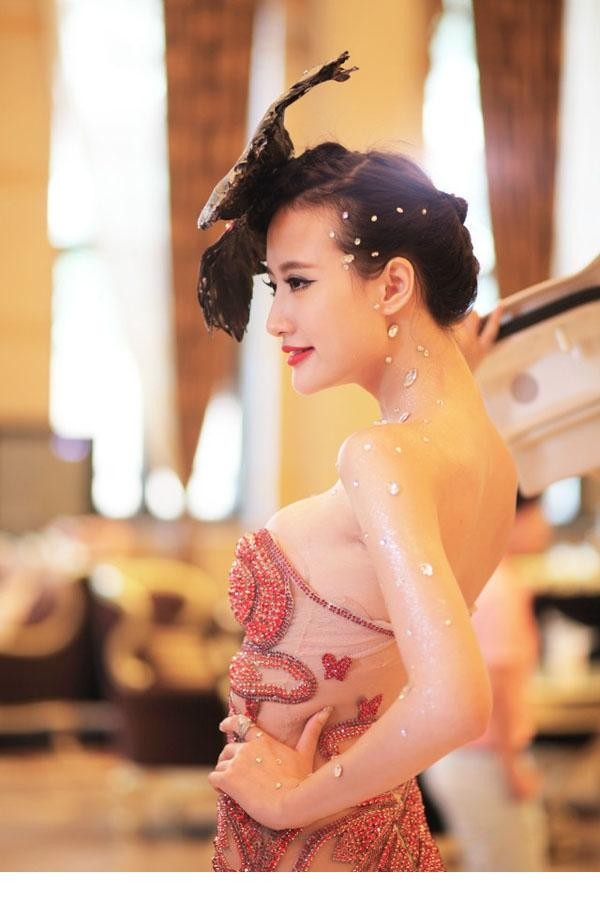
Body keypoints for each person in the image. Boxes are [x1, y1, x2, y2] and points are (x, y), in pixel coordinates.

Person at [198, 53, 518, 872]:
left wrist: (288, 803)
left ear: (392, 285)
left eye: (299, 282)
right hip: (365, 836)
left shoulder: (382, 456)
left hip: (315, 844)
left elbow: (456, 701)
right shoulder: (484, 454)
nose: (278, 320)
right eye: (274, 288)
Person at [422, 493, 552, 871]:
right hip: (484, 757)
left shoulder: (476, 578)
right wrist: (512, 765)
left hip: (455, 752)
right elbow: (498, 685)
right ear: (510, 520)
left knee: (487, 860)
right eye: (538, 515)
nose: (545, 527)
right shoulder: (501, 588)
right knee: (512, 868)